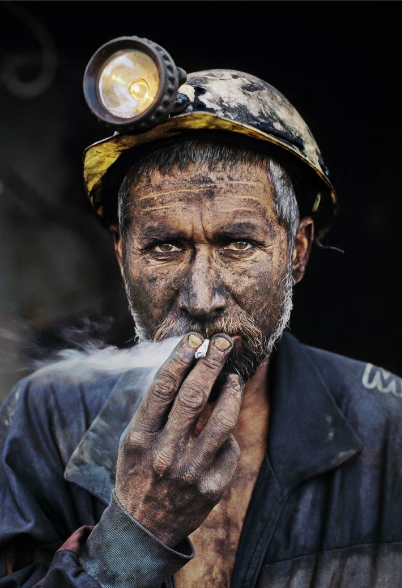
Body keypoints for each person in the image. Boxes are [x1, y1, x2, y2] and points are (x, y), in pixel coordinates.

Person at [1, 50, 402, 588]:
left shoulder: (388, 423)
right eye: (165, 246)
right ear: (122, 256)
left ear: (297, 253)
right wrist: (135, 534)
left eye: (238, 244)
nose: (201, 296)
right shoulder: (45, 417)